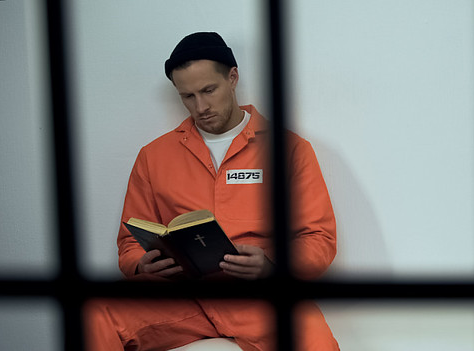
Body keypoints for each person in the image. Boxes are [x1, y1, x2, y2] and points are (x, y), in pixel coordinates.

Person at [85, 32, 339, 351]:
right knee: (94, 310)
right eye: (187, 96)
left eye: (209, 90)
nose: (200, 106)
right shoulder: (153, 156)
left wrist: (272, 265)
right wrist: (141, 264)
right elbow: (129, 240)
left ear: (232, 77)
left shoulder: (289, 149)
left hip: (260, 297)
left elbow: (319, 238)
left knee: (317, 344)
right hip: (180, 296)